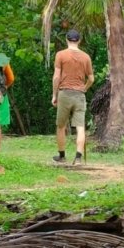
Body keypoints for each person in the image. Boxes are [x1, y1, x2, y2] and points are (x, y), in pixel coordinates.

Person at [52, 29, 94, 165]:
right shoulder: (86, 57)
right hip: (79, 95)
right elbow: (91, 78)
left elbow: (56, 76)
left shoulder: (61, 55)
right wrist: (84, 88)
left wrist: (54, 94)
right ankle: (78, 158)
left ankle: (62, 156)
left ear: (67, 39)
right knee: (80, 127)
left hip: (64, 93)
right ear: (79, 40)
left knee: (61, 126)